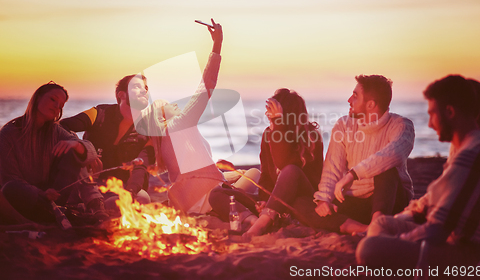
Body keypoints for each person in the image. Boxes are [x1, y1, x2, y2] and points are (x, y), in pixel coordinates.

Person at [357, 75, 480, 270]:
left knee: (369, 248)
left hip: (471, 256)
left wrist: (402, 239)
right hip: (450, 237)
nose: (430, 124)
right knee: (382, 225)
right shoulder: (470, 149)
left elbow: (438, 230)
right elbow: (431, 203)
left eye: (432, 114)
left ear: (450, 112)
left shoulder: (476, 153)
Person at [209, 88, 324, 236]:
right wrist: (264, 202)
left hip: (299, 201)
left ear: (286, 113)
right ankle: (253, 221)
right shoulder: (268, 133)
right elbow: (266, 177)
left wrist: (278, 124)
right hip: (273, 204)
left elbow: (284, 164)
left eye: (272, 111)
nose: (267, 115)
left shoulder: (311, 137)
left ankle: (262, 224)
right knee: (217, 193)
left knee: (290, 170)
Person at [139, 19, 226, 214]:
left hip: (185, 201)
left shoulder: (161, 143)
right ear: (161, 117)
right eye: (169, 105)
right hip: (206, 197)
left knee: (242, 175)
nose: (176, 104)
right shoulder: (180, 123)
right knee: (253, 174)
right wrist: (217, 45)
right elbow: (206, 86)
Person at [312, 75, 415, 234]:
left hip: (390, 201)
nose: (349, 100)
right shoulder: (343, 125)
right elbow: (332, 168)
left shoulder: (400, 125)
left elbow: (392, 154)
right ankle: (365, 228)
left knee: (387, 169)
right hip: (353, 201)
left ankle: (376, 225)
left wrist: (352, 175)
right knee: (306, 204)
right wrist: (323, 200)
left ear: (371, 104)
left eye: (355, 96)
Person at [0, 82, 104, 224]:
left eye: (61, 105)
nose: (57, 107)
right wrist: (41, 193)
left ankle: (62, 211)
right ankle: (60, 215)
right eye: (53, 99)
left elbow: (90, 149)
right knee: (10, 188)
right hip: (27, 198)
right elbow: (10, 178)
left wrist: (75, 144)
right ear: (37, 98)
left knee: (73, 149)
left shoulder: (55, 130)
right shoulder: (8, 134)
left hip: (55, 196)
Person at [60, 71, 154, 207]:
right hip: (88, 183)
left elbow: (141, 168)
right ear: (121, 95)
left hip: (123, 189)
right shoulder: (98, 113)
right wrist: (85, 150)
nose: (143, 91)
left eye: (145, 88)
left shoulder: (148, 129)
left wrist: (130, 193)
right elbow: (62, 126)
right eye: (136, 87)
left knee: (143, 198)